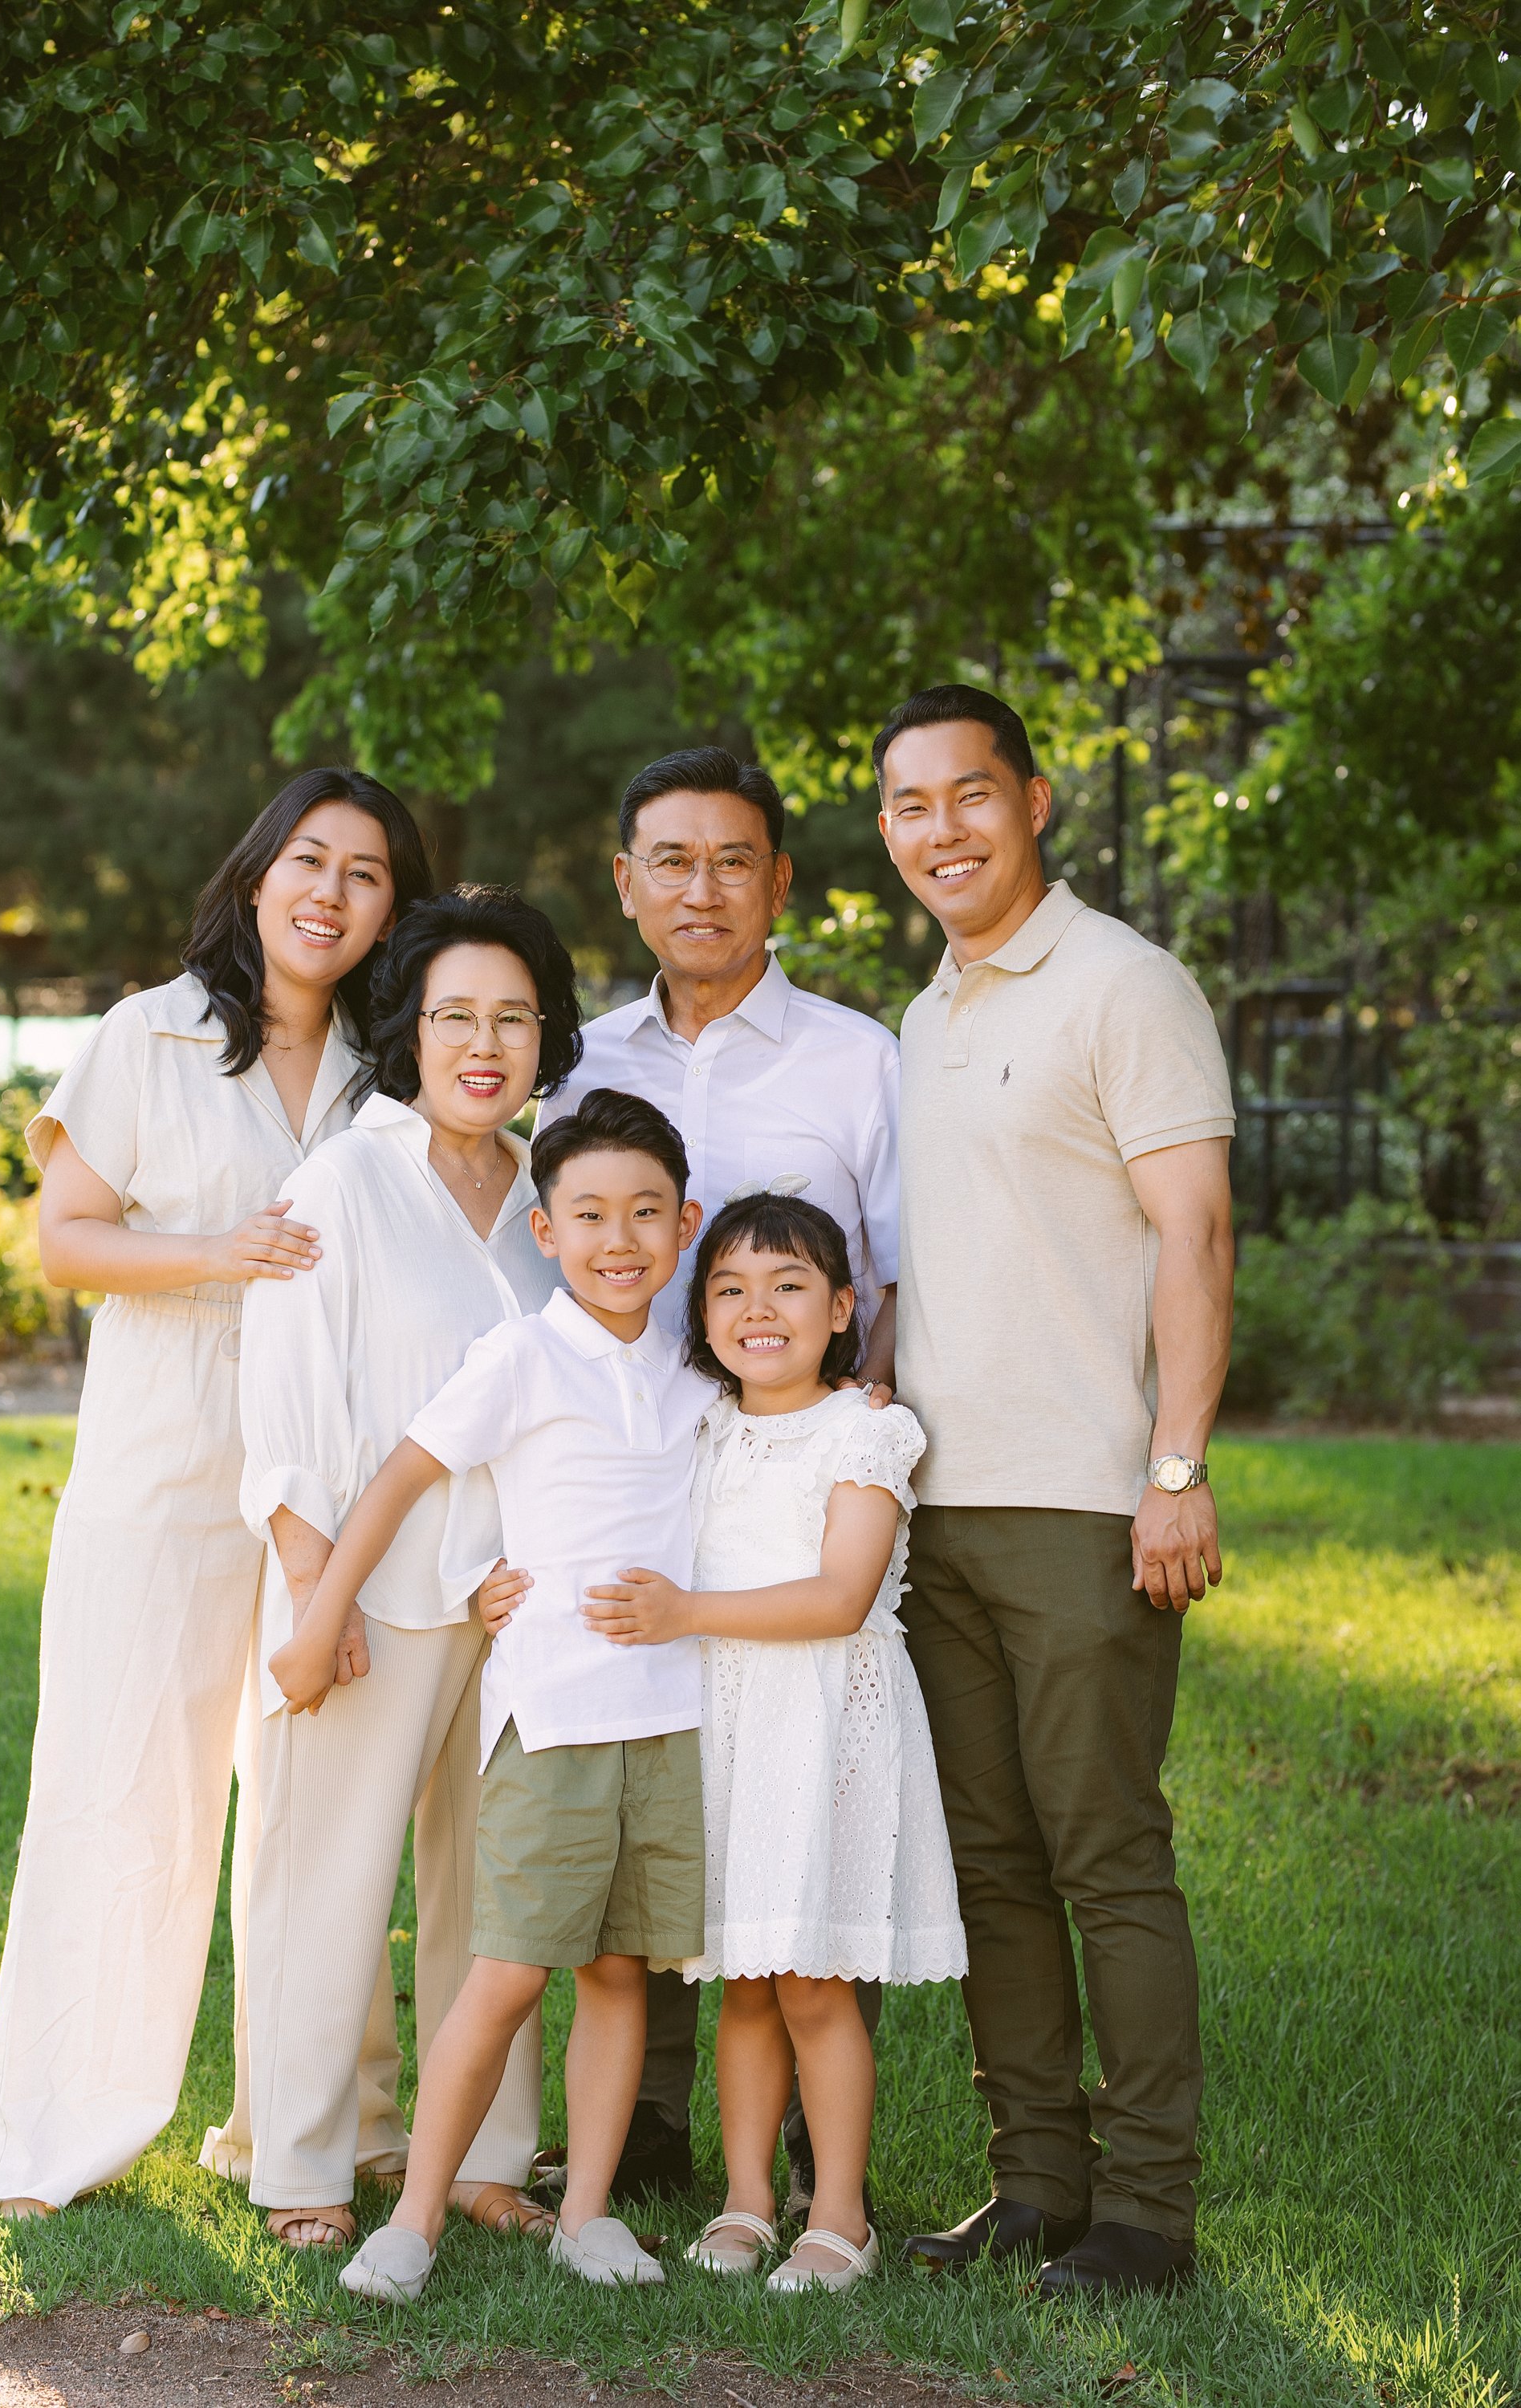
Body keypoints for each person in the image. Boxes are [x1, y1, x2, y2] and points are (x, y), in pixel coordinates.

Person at [0, 769, 430, 2219]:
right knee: (122, 1792)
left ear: (391, 910)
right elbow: (68, 1242)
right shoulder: (145, 1035)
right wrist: (223, 1252)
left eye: (366, 876)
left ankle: (317, 2131)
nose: (331, 893)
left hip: (330, 1483)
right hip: (160, 1471)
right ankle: (60, 2124)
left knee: (318, 1809)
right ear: (259, 870)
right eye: (310, 861)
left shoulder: (387, 1065)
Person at [875, 684, 1235, 2300]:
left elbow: (1196, 1237)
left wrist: (1174, 1469)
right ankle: (1033, 2185)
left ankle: (1146, 2213)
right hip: (933, 1510)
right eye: (905, 806)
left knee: (1104, 1857)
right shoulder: (923, 1015)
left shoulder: (1122, 986)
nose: (938, 831)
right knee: (990, 1866)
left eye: (966, 797)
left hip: (1087, 1506)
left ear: (1030, 802)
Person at [266, 1088, 711, 2300]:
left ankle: (586, 2212)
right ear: (544, 1233)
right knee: (507, 1971)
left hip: (671, 1724)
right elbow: (405, 1478)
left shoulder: (695, 1371)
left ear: (688, 1225)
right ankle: (411, 2220)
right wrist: (325, 1615)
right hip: (555, 1719)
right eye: (589, 1215)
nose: (620, 1239)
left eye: (647, 1214)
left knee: (622, 1972)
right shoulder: (520, 1356)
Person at [539, 743, 901, 2198]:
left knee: (806, 1775)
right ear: (626, 885)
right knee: (666, 1779)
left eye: (733, 859)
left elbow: (897, 1284)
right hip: (641, 1471)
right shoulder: (585, 1065)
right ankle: (651, 2122)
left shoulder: (857, 1060)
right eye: (670, 861)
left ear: (780, 882)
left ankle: (822, 2141)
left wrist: (866, 1460)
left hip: (803, 1472)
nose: (703, 887)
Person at [234, 888, 583, 2252]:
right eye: (455, 1017)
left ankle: (490, 2154)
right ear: (410, 1030)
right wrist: (322, 1601)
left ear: (547, 1033)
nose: (484, 1044)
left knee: (487, 1888)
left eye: (513, 1017)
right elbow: (287, 1406)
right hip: (367, 1592)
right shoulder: (346, 1179)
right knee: (328, 1877)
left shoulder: (551, 1194)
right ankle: (310, 2159)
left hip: (513, 1601)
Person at [572, 1192, 966, 2292]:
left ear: (843, 1308)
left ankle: (836, 2213)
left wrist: (688, 1612)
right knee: (743, 1979)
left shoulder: (869, 1430)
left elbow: (843, 1595)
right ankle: (744, 2200)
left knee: (811, 1984)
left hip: (823, 1728)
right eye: (732, 1287)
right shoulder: (703, 1425)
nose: (760, 1309)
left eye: (790, 1286)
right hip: (729, 1731)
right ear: (701, 1312)